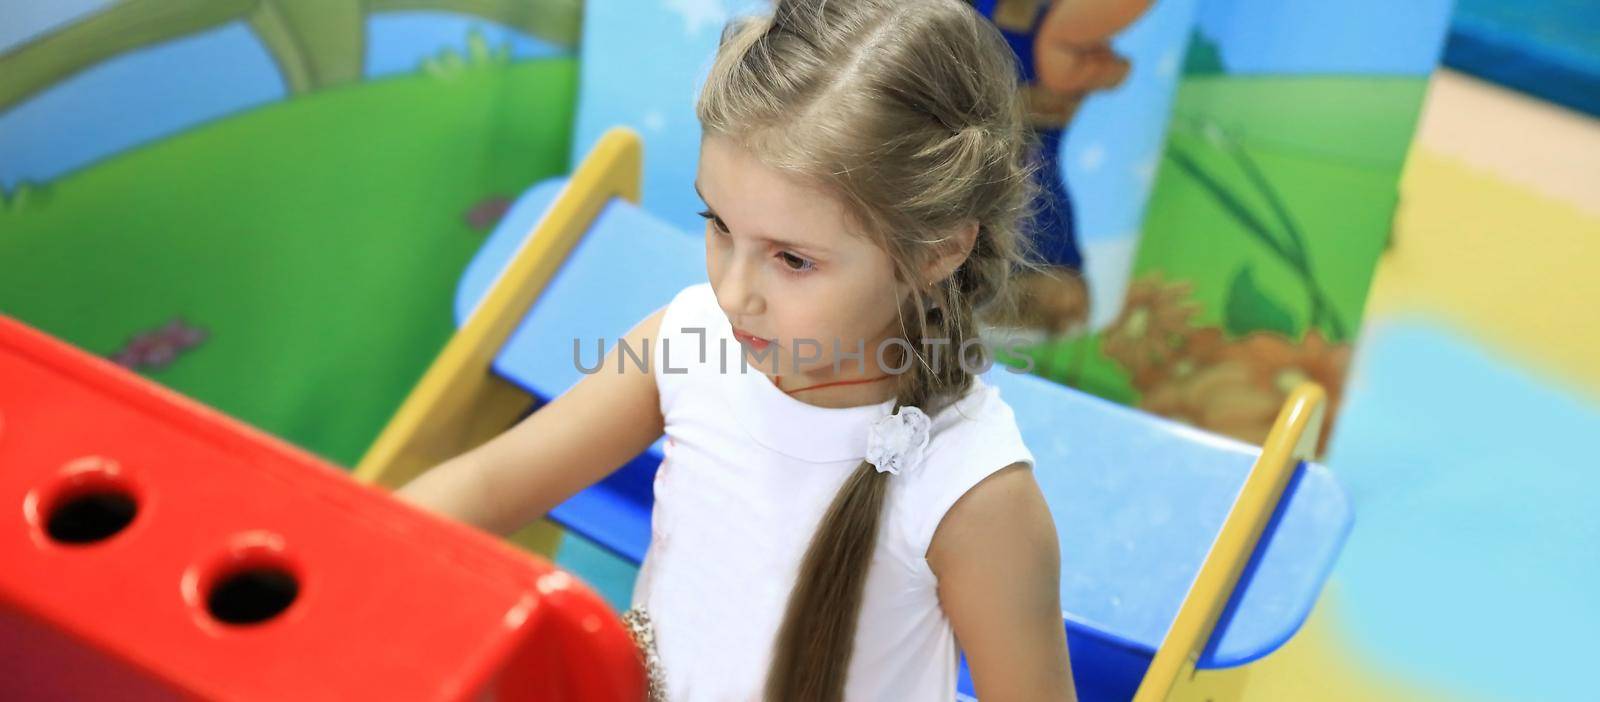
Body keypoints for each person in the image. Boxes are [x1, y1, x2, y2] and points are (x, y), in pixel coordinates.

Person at [396, 1, 1074, 700]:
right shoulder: (687, 345)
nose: (733, 292)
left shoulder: (974, 492)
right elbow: (484, 488)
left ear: (938, 250)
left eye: (792, 259)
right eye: (718, 225)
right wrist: (343, 551)